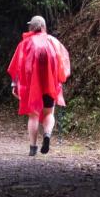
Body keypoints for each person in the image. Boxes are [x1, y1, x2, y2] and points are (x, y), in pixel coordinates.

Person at [7, 15, 71, 157]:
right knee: (49, 113)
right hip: (50, 85)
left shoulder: (25, 44)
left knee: (33, 116)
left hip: (31, 87)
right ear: (43, 26)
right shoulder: (53, 42)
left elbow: (17, 66)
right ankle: (47, 135)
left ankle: (33, 148)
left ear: (32, 27)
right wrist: (59, 80)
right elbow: (63, 63)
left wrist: (14, 84)